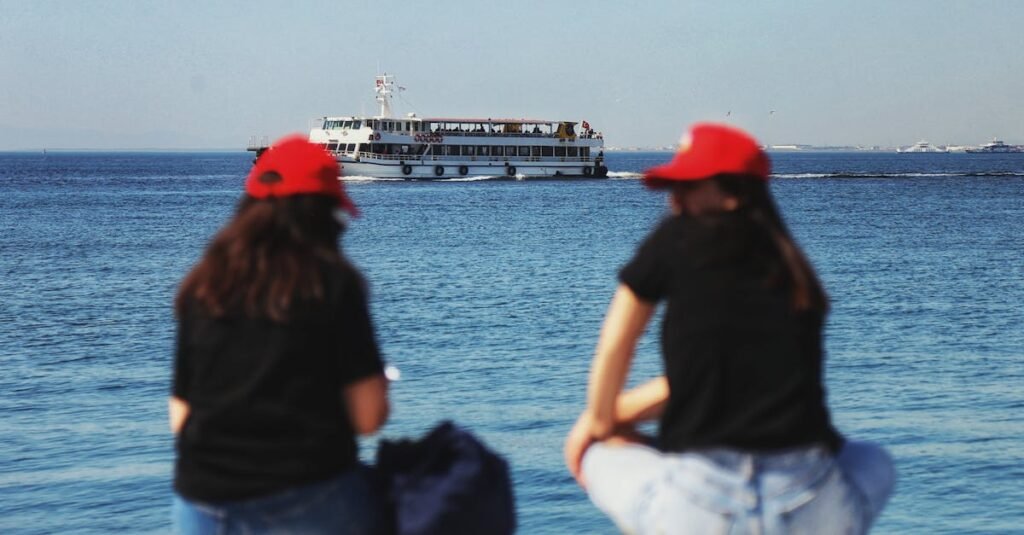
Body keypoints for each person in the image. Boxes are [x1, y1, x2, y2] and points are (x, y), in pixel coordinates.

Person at [564, 123, 895, 534]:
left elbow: (617, 343)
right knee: (875, 460)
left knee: (602, 453)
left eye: (686, 188)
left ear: (732, 193)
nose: (674, 201)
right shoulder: (791, 265)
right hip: (810, 499)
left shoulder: (677, 237)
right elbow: (720, 376)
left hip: (701, 504)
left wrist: (598, 424)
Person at [170, 135, 390, 534]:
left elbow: (181, 417)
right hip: (308, 491)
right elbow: (368, 417)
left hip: (201, 501)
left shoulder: (203, 286)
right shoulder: (333, 284)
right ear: (322, 214)